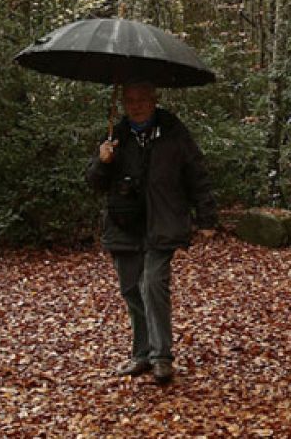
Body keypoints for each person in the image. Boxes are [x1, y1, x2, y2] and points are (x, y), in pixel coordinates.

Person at [85, 82, 217, 385]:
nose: (137, 105)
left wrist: (206, 216)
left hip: (164, 222)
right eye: (130, 100)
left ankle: (162, 357)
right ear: (123, 104)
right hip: (124, 225)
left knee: (153, 284)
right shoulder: (115, 136)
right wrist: (102, 162)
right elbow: (94, 182)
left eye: (142, 99)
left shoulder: (173, 132)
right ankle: (142, 353)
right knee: (131, 289)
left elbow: (197, 173)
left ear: (154, 100)